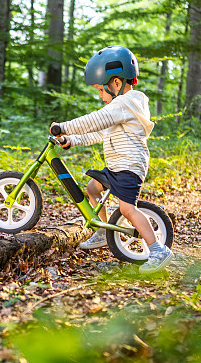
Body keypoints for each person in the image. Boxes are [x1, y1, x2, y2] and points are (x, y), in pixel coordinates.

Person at [50, 45, 173, 273]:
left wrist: (63, 126)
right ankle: (102, 233)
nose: (99, 95)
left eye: (100, 89)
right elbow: (100, 132)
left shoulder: (125, 104)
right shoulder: (122, 107)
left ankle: (158, 249)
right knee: (92, 189)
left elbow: (95, 121)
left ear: (116, 83)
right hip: (116, 166)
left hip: (128, 168)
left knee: (127, 209)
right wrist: (71, 140)